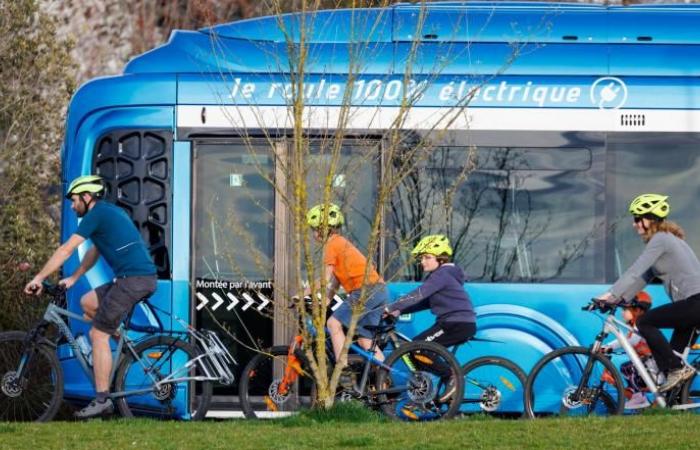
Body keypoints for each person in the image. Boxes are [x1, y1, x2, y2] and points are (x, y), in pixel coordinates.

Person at [24, 174, 157, 419]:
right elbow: (94, 251)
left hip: (134, 280)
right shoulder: (105, 214)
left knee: (98, 333)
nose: (72, 206)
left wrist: (39, 278)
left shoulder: (97, 214)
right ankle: (123, 347)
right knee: (87, 303)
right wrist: (74, 277)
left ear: (87, 197)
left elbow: (66, 249)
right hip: (130, 278)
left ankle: (102, 399)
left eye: (74, 200)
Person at [597, 193, 700, 393]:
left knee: (645, 322)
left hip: (695, 303)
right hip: (692, 307)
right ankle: (674, 403)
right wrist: (618, 300)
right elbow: (643, 277)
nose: (635, 224)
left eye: (637, 218)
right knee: (674, 358)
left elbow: (634, 270)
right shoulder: (669, 240)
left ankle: (675, 370)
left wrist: (609, 293)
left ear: (650, 220)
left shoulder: (660, 239)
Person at [384, 234, 476, 401]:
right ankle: (442, 393)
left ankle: (451, 376)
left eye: (427, 257)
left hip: (455, 323)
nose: (423, 262)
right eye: (422, 258)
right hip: (456, 322)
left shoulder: (441, 275)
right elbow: (425, 302)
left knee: (417, 347)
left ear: (440, 259)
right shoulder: (443, 275)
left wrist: (392, 306)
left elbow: (419, 294)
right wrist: (399, 311)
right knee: (417, 348)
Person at [306, 202, 389, 364]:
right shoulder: (340, 243)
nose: (313, 234)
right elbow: (335, 282)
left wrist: (301, 293)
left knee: (333, 323)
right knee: (365, 340)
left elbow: (323, 279)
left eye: (314, 230)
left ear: (323, 230)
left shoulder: (331, 244)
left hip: (366, 291)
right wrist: (326, 302)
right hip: (378, 290)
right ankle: (384, 376)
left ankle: (342, 368)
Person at [600, 291, 659, 409]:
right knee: (626, 367)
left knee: (628, 368)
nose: (622, 313)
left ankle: (638, 398)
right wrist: (607, 347)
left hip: (652, 366)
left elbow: (631, 341)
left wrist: (609, 347)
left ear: (637, 310)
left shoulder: (641, 325)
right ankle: (637, 397)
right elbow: (625, 339)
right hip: (647, 365)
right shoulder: (634, 327)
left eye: (624, 310)